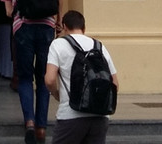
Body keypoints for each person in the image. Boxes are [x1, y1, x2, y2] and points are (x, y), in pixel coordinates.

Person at [1, 0, 64, 143]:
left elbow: (9, 11)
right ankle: (42, 128)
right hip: (46, 27)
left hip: (23, 29)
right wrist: (59, 18)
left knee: (25, 77)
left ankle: (29, 121)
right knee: (45, 76)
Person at [45, 10, 119, 144]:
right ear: (84, 28)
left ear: (65, 26)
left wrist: (56, 94)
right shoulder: (100, 46)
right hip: (100, 116)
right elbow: (115, 84)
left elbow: (49, 79)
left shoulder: (58, 44)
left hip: (71, 115)